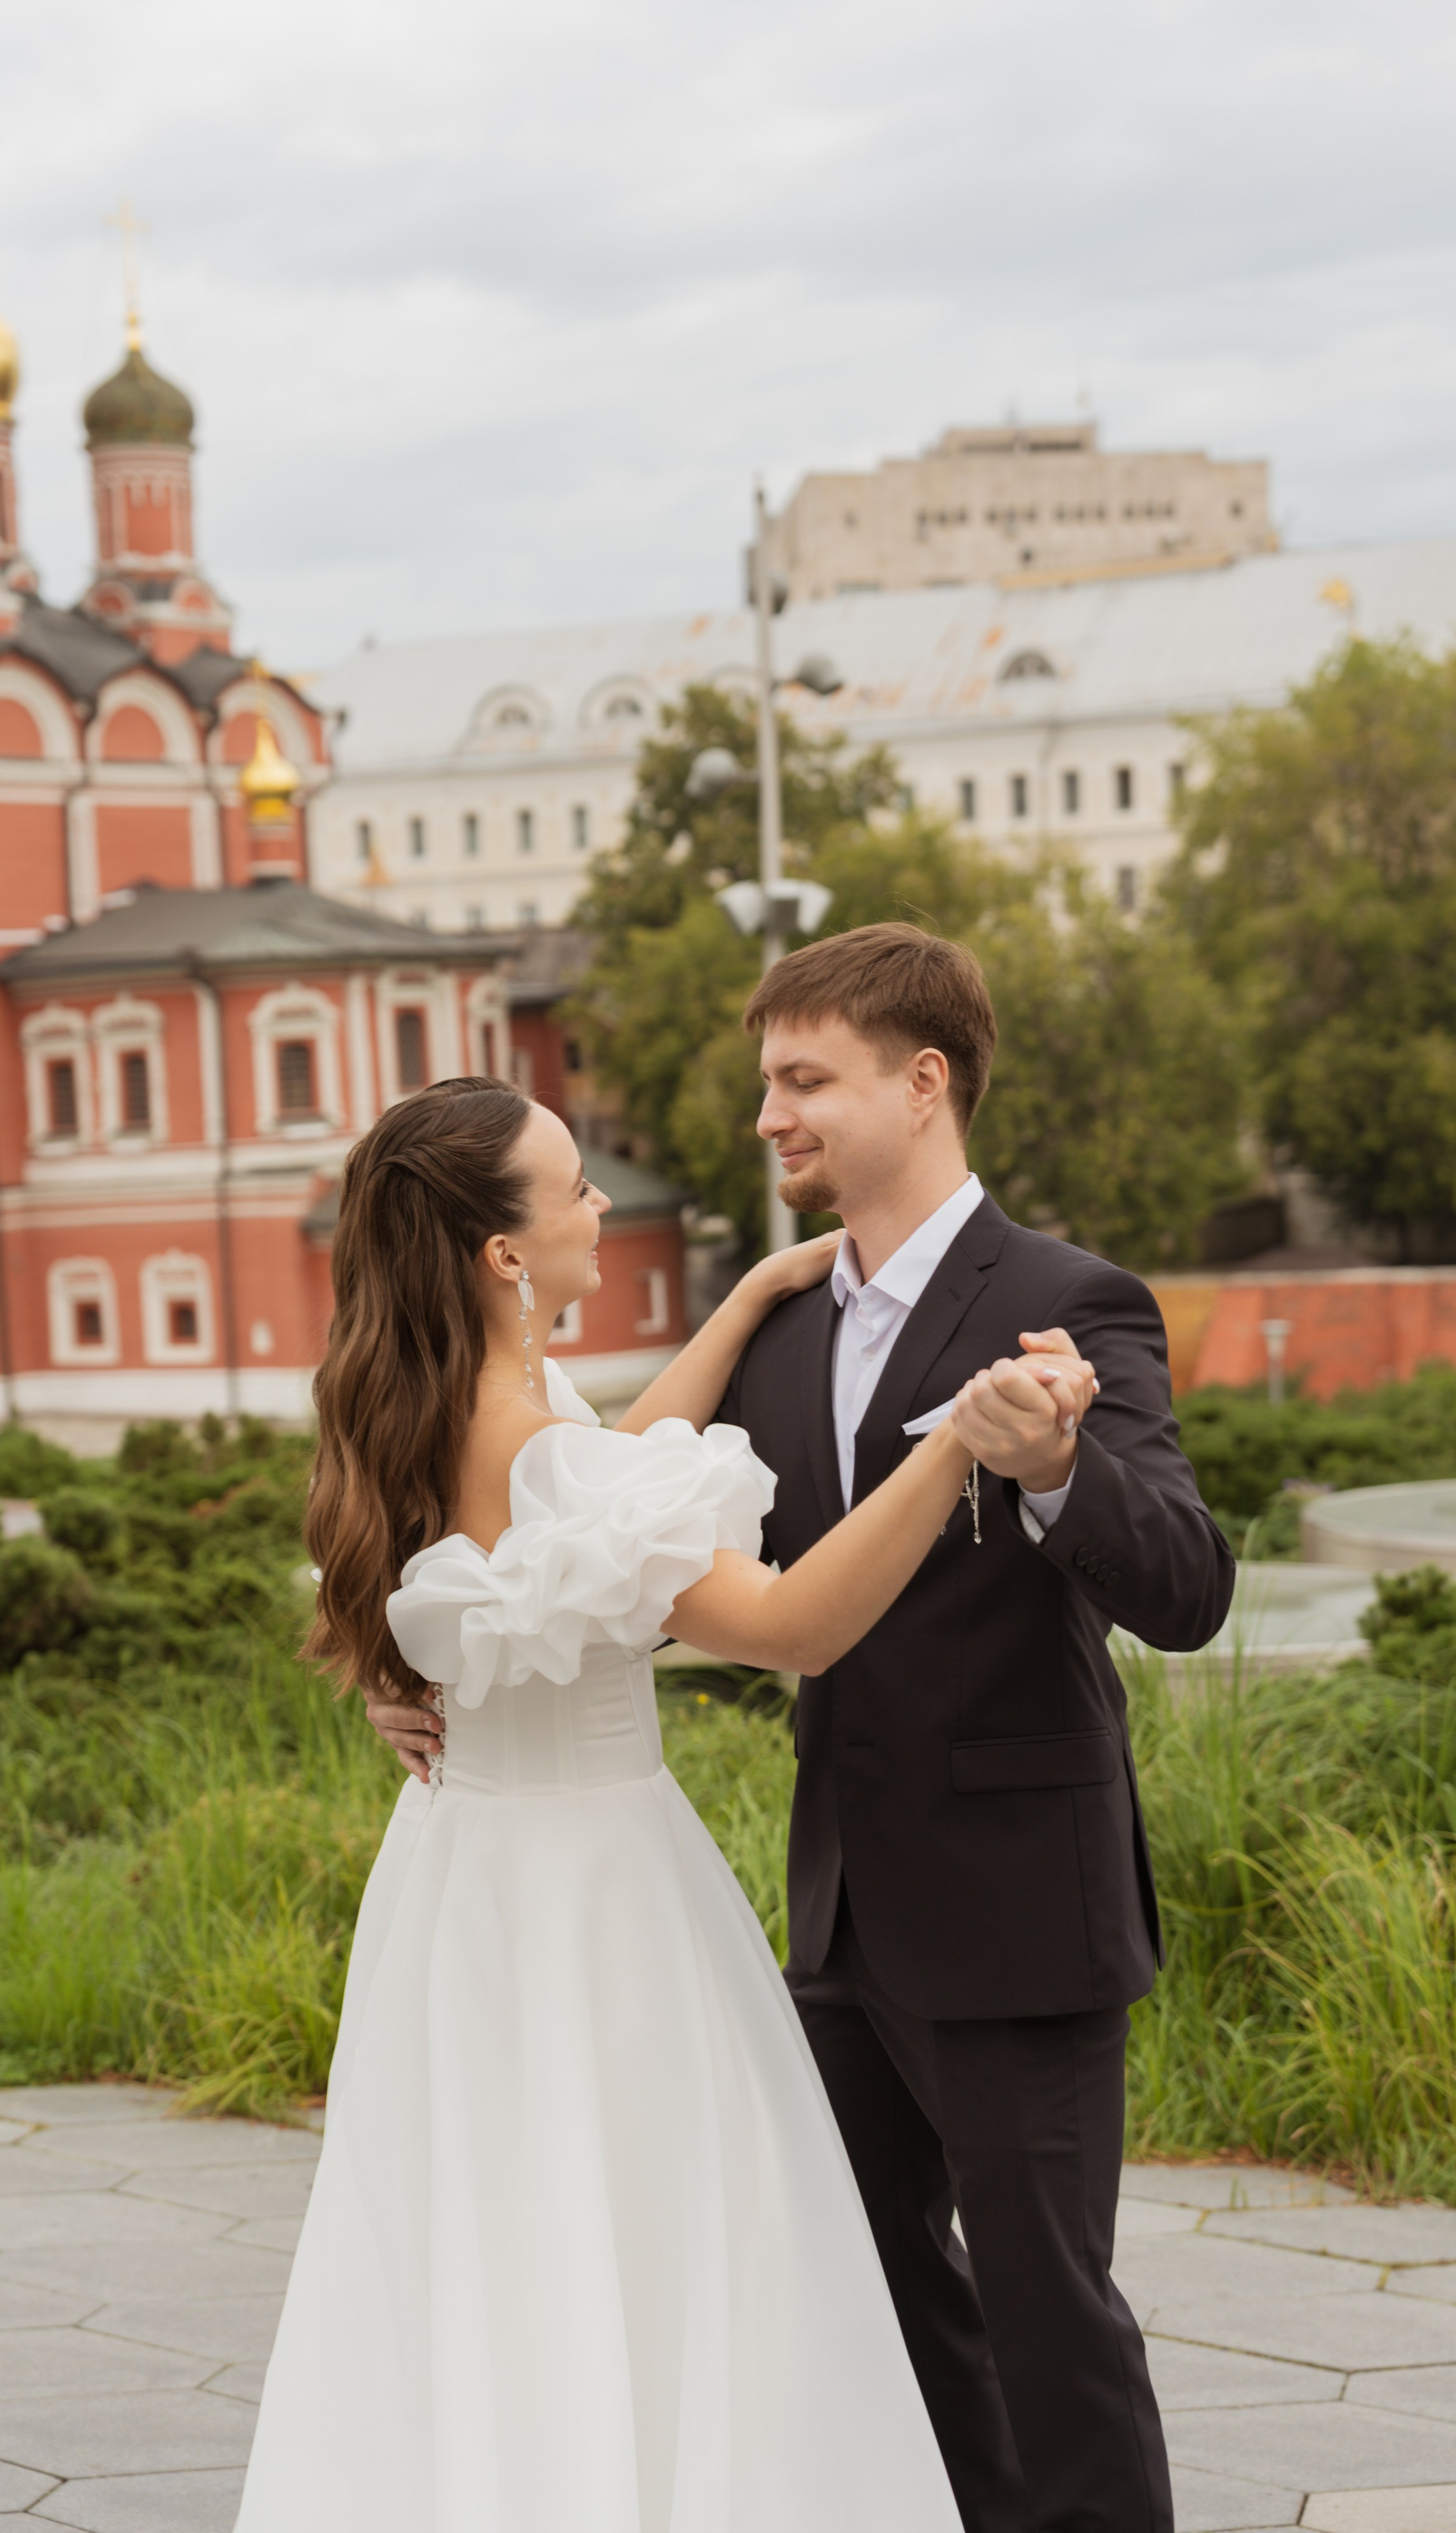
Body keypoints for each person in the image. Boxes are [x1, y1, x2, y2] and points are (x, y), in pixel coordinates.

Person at [369, 924, 1236, 2533]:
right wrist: (435, 1665)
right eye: (767, 1079)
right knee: (867, 2302)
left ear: (922, 1083)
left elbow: (1187, 1587)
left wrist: (1054, 1469)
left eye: (803, 1080)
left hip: (1016, 1909)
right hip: (834, 1918)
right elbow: (588, 1549)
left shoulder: (1066, 1300)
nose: (768, 1114)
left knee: (1050, 2319)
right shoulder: (772, 1331)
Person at [236, 1071, 1099, 2533]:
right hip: (599, 1895)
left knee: (502, 2241)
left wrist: (751, 1295)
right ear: (504, 1254)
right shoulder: (540, 1450)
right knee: (662, 2229)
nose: (599, 1205)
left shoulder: (428, 1403)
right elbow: (792, 1627)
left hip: (466, 1882)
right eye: (574, 1186)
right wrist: (956, 1438)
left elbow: (606, 1470)